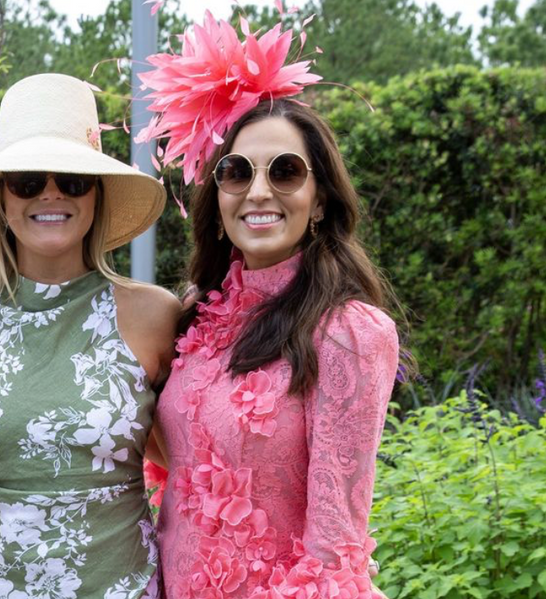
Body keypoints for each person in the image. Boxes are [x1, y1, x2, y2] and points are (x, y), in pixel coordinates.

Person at [139, 13, 404, 599]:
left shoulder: (349, 332)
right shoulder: (196, 318)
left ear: (319, 201)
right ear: (220, 194)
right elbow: (172, 463)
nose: (259, 191)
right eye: (237, 172)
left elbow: (336, 549)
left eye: (285, 171)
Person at [0, 73, 179, 599]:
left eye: (71, 179)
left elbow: (188, 457)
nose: (50, 194)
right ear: (1, 198)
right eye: (26, 181)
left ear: (96, 195)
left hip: (120, 586)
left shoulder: (154, 316)